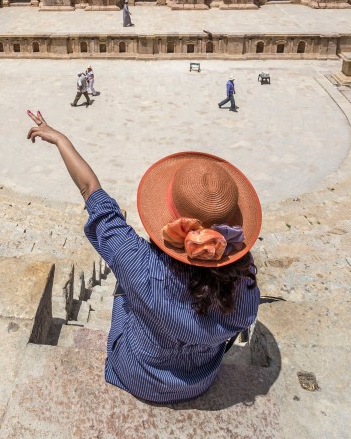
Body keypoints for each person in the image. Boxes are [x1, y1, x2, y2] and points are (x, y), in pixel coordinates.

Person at [26, 110, 261, 404]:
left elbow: (91, 191)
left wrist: (61, 140)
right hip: (199, 380)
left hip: (135, 373)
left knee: (125, 283)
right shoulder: (245, 288)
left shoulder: (137, 263)